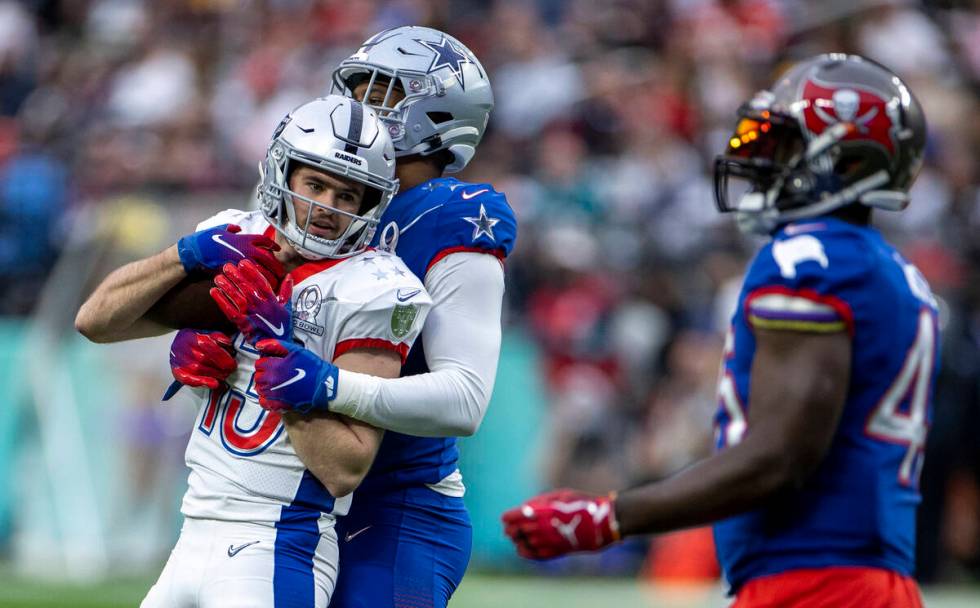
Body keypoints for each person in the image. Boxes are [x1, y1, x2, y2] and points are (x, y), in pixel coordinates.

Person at [502, 54, 934, 608]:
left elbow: (780, 455)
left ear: (845, 161)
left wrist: (609, 516)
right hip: (859, 575)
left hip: (818, 581)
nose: (761, 160)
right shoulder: (892, 271)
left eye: (784, 146)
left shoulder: (813, 259)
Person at [75, 95, 432, 607]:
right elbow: (96, 321)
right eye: (315, 184)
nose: (327, 206)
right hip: (193, 528)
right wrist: (184, 255)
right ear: (284, 176)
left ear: (369, 204)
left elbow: (344, 469)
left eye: (347, 194)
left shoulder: (375, 289)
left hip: (280, 541)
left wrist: (272, 352)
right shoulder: (235, 238)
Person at [204, 26, 518, 608]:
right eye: (357, 87)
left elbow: (465, 400)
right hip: (286, 500)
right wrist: (208, 340)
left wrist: (329, 387)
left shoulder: (453, 219)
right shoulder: (322, 194)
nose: (358, 106)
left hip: (394, 506)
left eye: (383, 91)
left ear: (440, 111)